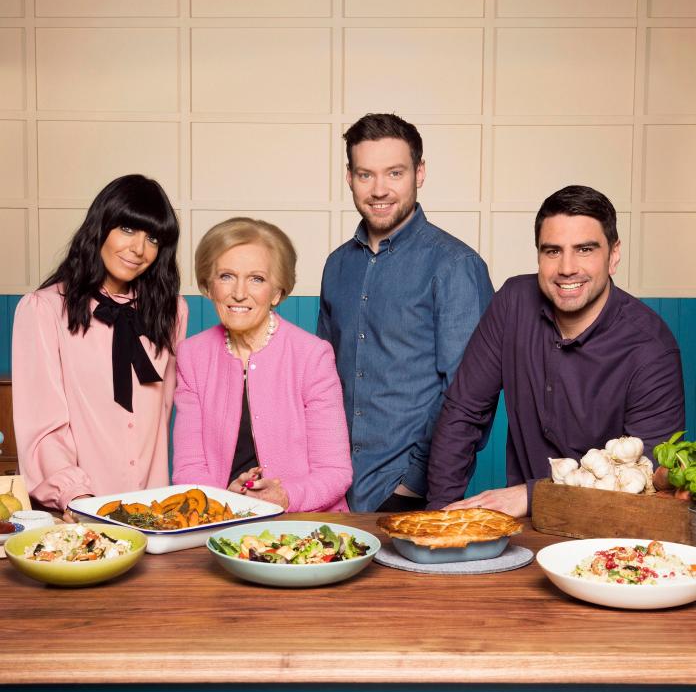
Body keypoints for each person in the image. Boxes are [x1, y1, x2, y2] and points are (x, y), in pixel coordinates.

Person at [427, 184, 686, 517]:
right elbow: (463, 412)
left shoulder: (651, 348)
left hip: (606, 535)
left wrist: (535, 495)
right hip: (522, 531)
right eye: (552, 251)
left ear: (614, 254)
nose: (567, 268)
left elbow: (646, 476)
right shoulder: (513, 303)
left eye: (585, 249)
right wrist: (437, 517)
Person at [317, 113, 493, 513]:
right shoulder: (337, 266)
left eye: (394, 173)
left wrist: (414, 484)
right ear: (349, 177)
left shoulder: (455, 266)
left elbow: (470, 394)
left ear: (420, 172)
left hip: (410, 493)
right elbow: (321, 381)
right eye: (365, 175)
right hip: (335, 489)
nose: (379, 189)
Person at [12, 174, 188, 513]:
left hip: (151, 513)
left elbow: (163, 413)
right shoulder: (44, 310)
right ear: (100, 227)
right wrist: (76, 498)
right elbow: (43, 423)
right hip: (75, 512)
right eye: (126, 229)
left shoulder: (171, 312)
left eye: (152, 237)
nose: (139, 249)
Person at [172, 217, 352, 512]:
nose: (239, 292)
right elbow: (189, 467)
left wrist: (284, 498)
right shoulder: (193, 355)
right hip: (220, 525)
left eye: (257, 279)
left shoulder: (312, 356)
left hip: (305, 528)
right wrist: (222, 503)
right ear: (208, 285)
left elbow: (335, 472)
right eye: (227, 276)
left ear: (278, 292)